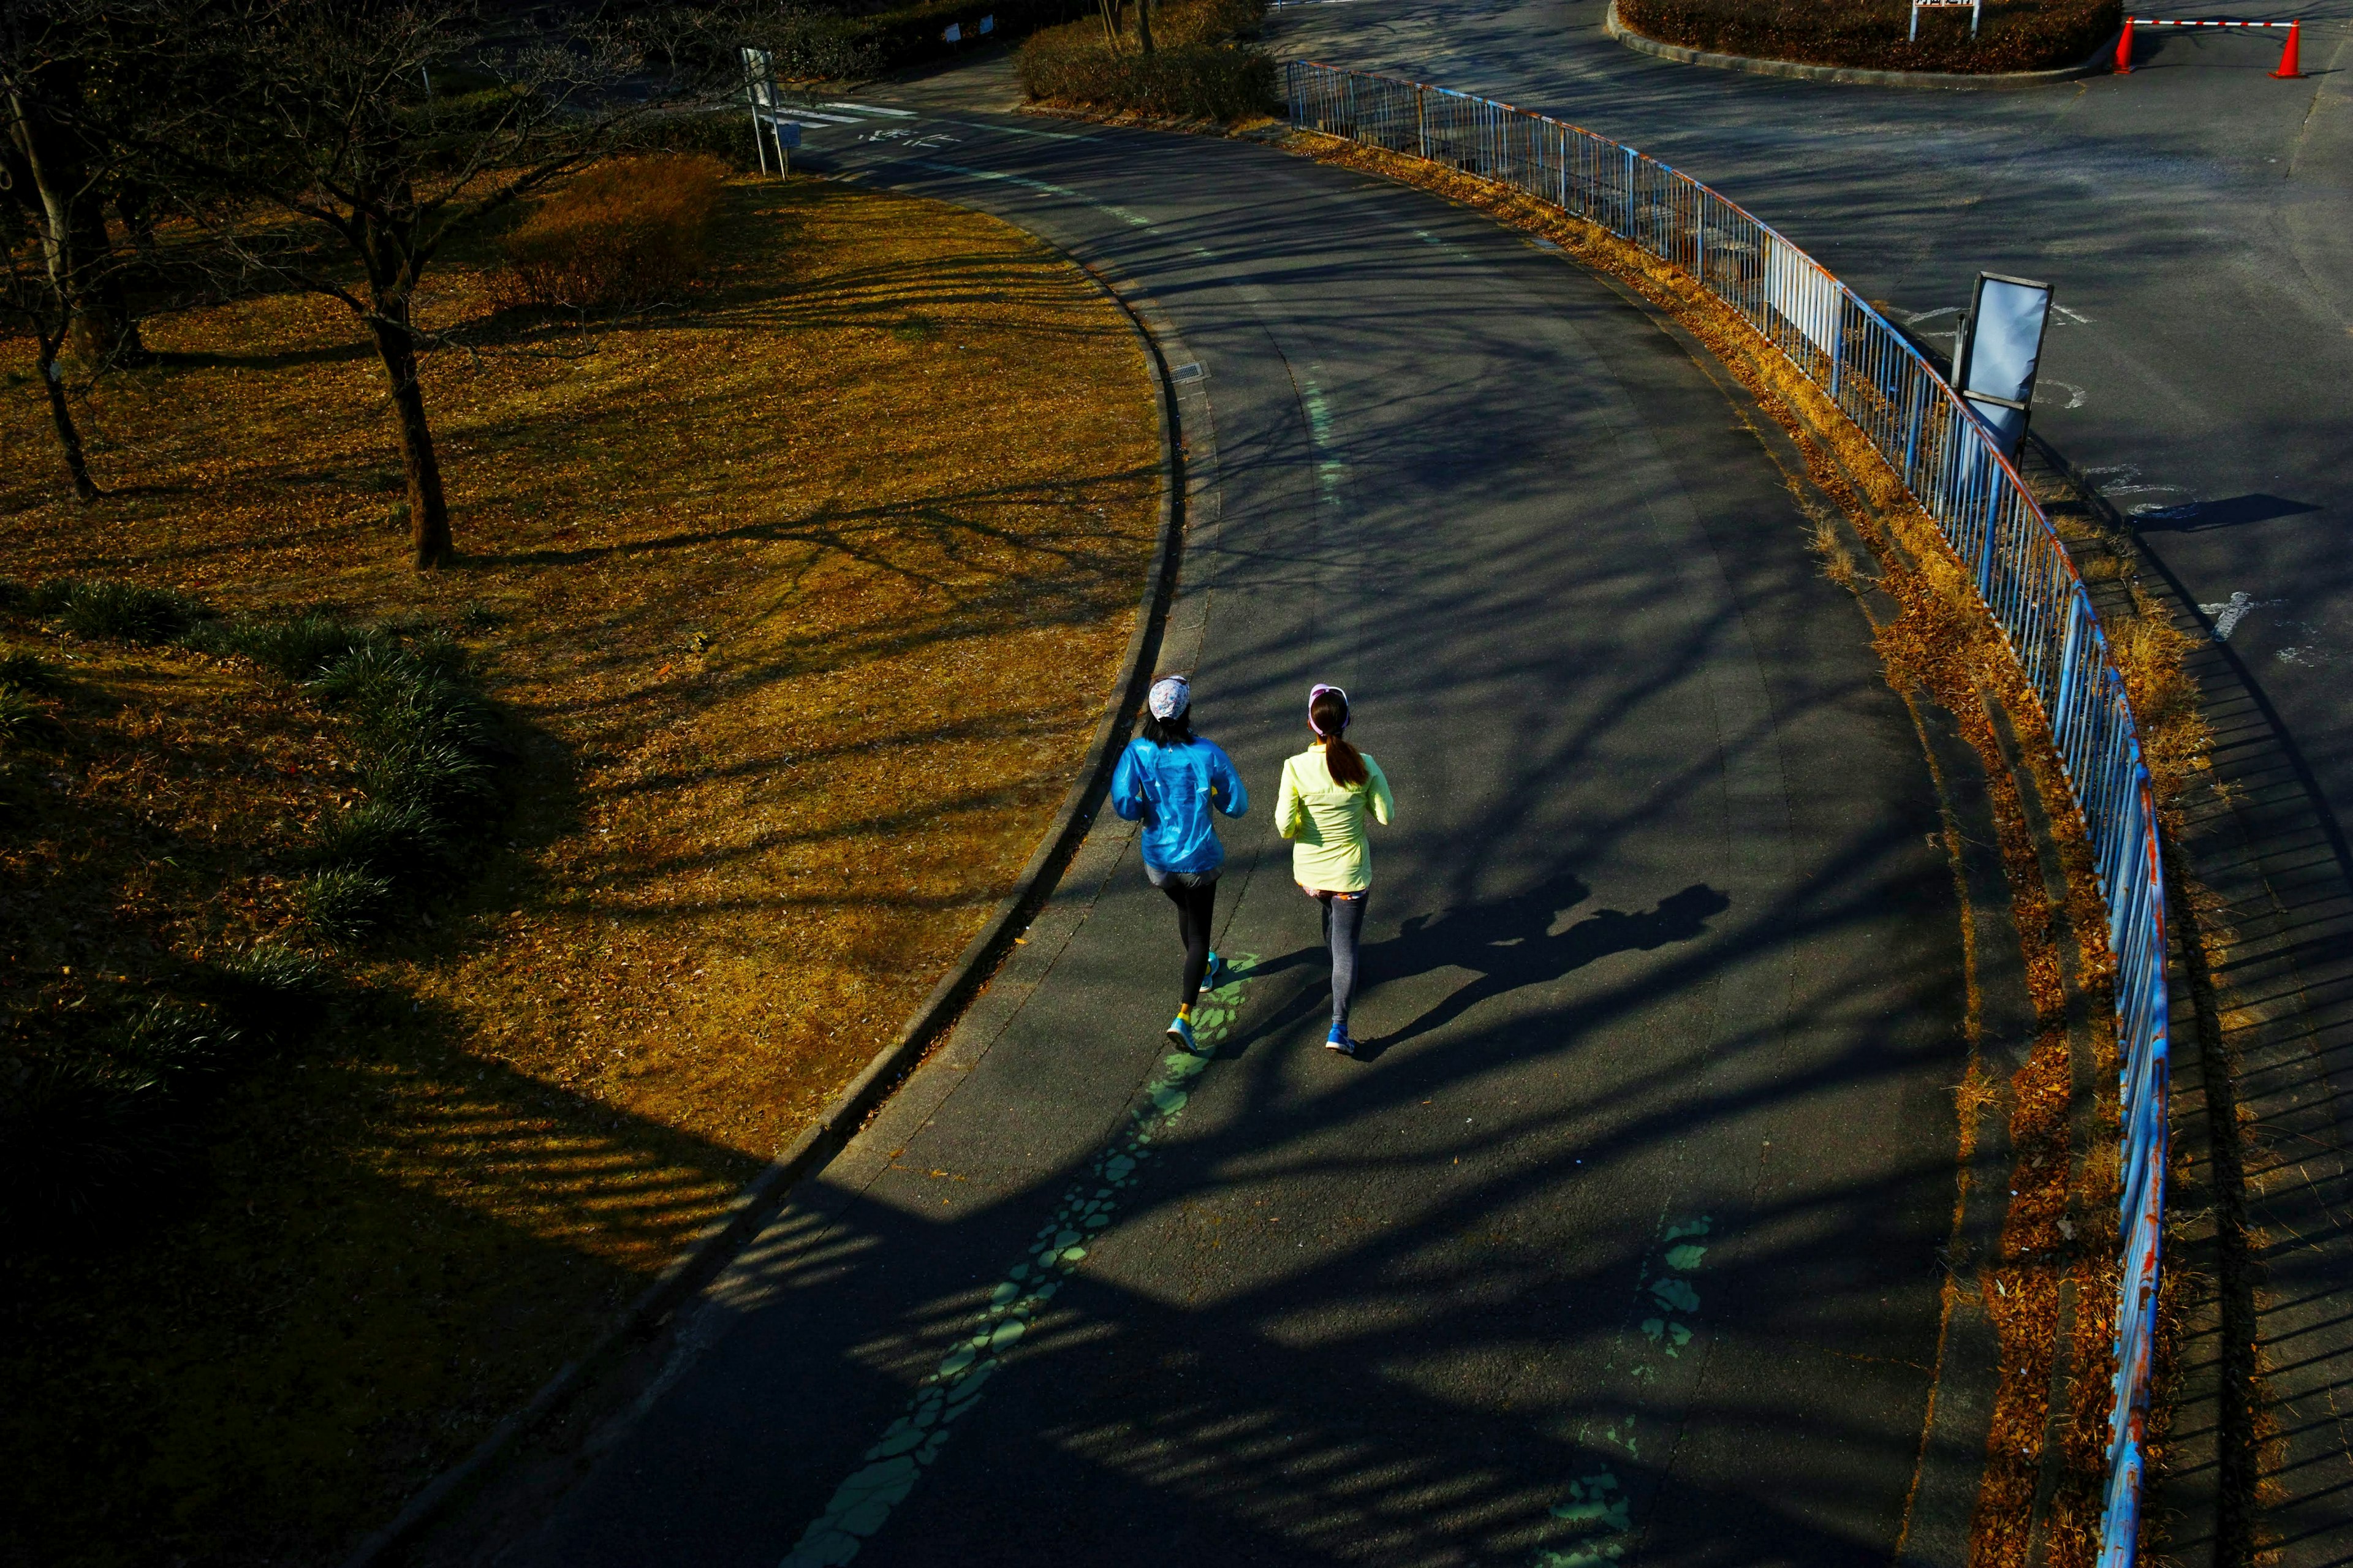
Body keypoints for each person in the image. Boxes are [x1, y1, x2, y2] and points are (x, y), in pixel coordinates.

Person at [1110, 674, 1249, 1051]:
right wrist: (1216, 800)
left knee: (1185, 910)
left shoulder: (1137, 752)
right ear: (1186, 710)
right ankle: (1185, 1015)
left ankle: (1204, 966)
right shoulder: (1206, 752)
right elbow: (1237, 804)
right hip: (1198, 859)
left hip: (1158, 861)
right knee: (1200, 937)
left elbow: (1123, 802)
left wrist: (1144, 809)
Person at [1276, 683, 1394, 1056]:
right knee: (1347, 948)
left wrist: (1302, 829)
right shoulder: (1365, 765)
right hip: (1350, 877)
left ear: (1310, 724)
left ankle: (1338, 975)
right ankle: (1339, 1028)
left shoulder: (1294, 767)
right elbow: (1386, 816)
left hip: (1311, 875)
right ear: (1348, 721)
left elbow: (1284, 827)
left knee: (1329, 917)